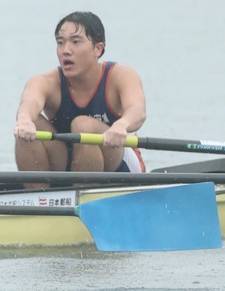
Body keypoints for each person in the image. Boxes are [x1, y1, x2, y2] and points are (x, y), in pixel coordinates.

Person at [13, 10, 148, 173]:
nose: (65, 50)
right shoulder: (46, 82)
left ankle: (83, 188)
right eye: (60, 42)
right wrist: (24, 120)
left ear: (98, 49)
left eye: (76, 42)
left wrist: (121, 125)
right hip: (65, 161)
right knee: (31, 121)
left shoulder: (121, 76)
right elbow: (30, 102)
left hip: (117, 163)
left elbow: (137, 111)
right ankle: (38, 189)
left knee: (83, 124)